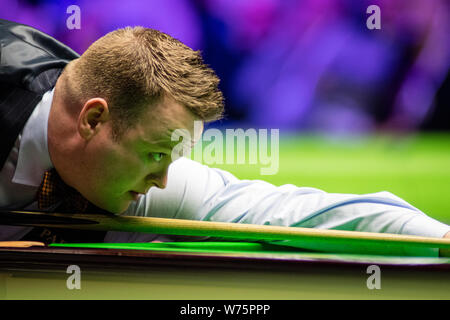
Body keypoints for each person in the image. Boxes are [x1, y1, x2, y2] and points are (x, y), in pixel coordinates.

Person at [0, 19, 448, 256]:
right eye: (156, 152)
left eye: (172, 157)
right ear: (93, 120)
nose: (161, 180)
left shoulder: (137, 176)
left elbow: (290, 214)